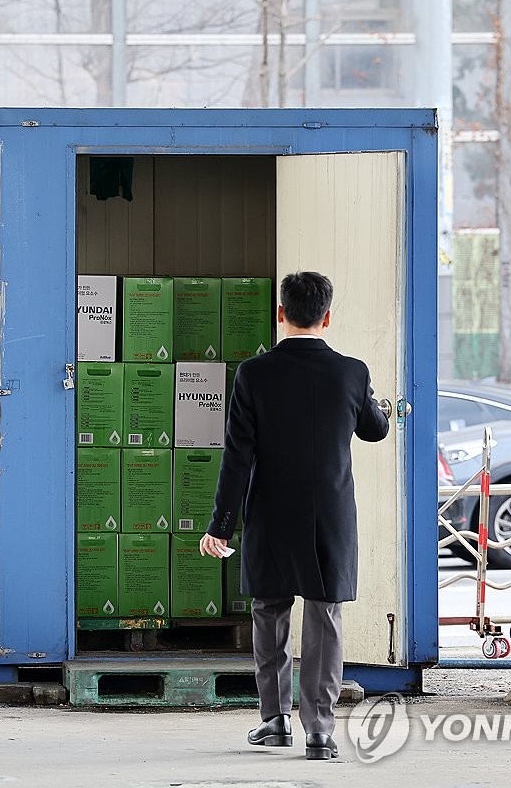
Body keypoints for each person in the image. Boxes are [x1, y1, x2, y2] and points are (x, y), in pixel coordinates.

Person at [200, 272, 391, 762]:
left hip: (270, 511)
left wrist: (220, 526)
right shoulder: (352, 372)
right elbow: (374, 430)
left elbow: (236, 457)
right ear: (327, 317)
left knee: (269, 611)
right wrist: (380, 406)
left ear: (280, 314)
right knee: (325, 615)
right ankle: (320, 733)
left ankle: (274, 721)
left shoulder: (253, 374)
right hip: (329, 513)